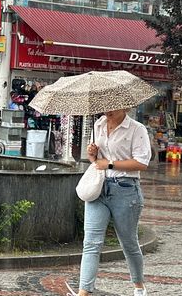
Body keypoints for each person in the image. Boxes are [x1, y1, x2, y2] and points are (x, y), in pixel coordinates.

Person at [66, 108, 151, 296]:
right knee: (91, 243)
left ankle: (139, 286)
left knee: (128, 243)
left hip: (126, 190)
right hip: (100, 188)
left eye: (113, 108)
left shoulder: (137, 129)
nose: (108, 111)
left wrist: (110, 163)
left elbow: (142, 163)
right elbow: (96, 160)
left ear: (126, 107)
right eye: (106, 108)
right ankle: (84, 292)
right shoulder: (99, 125)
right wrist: (92, 154)